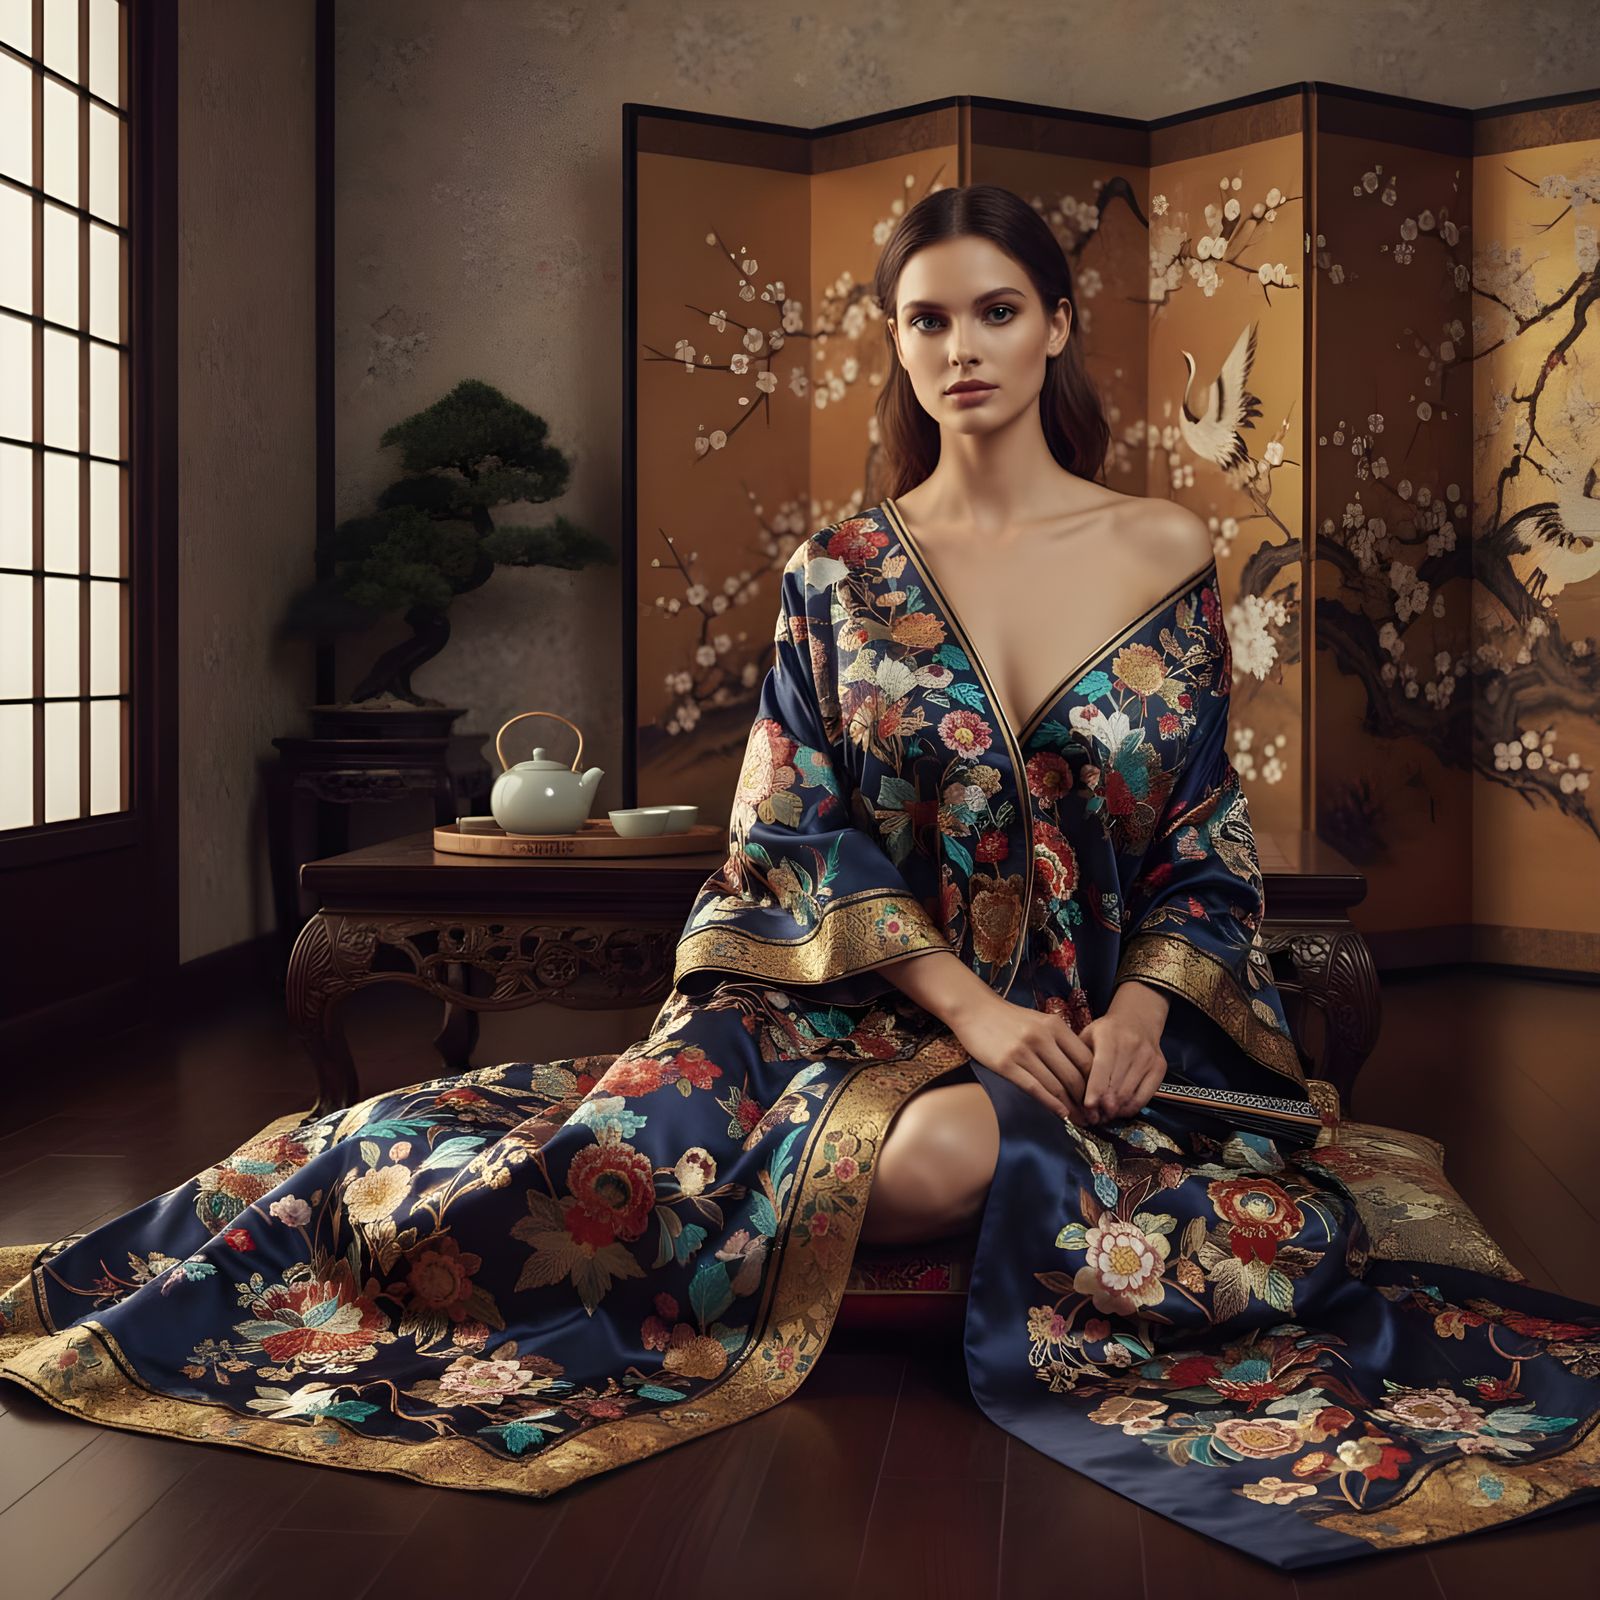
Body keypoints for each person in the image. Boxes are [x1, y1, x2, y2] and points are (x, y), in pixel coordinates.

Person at [4, 184, 1599, 1570]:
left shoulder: (1163, 548)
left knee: (960, 1163)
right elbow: (788, 830)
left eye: (995, 311)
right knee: (626, 1173)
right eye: (925, 320)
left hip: (1097, 1027)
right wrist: (968, 1008)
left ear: (1057, 325)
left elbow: (1199, 833)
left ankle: (885, 1170)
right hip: (847, 1005)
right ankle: (371, 1196)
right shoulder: (837, 574)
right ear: (895, 344)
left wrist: (1133, 1013)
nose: (961, 348)